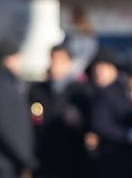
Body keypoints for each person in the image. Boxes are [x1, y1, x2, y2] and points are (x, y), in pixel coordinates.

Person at [28, 44, 90, 178]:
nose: (56, 65)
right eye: (53, 60)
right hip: (44, 157)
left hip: (72, 158)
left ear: (69, 63)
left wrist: (79, 121)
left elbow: (92, 122)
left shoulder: (80, 91)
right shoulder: (37, 90)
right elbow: (33, 120)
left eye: (60, 61)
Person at [0, 40, 34, 178]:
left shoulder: (7, 82)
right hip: (2, 162)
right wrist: (24, 158)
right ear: (9, 58)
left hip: (9, 161)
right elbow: (3, 125)